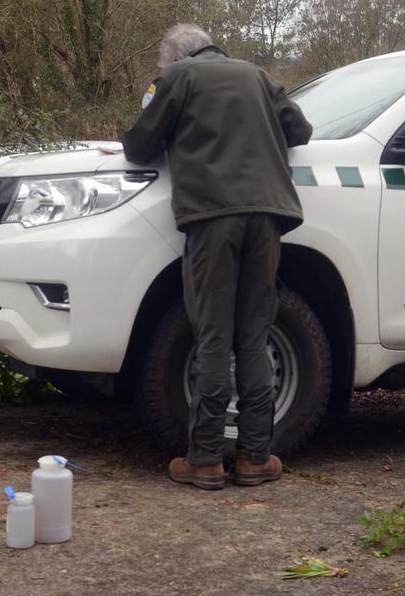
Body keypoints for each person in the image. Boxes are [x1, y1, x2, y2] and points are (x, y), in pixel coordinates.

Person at [121, 24, 313, 490]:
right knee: (253, 333)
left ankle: (205, 459)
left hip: (213, 217)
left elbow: (139, 145)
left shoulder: (179, 78)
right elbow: (300, 129)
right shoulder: (258, 75)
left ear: (173, 58)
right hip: (268, 216)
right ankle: (254, 457)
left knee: (212, 333)